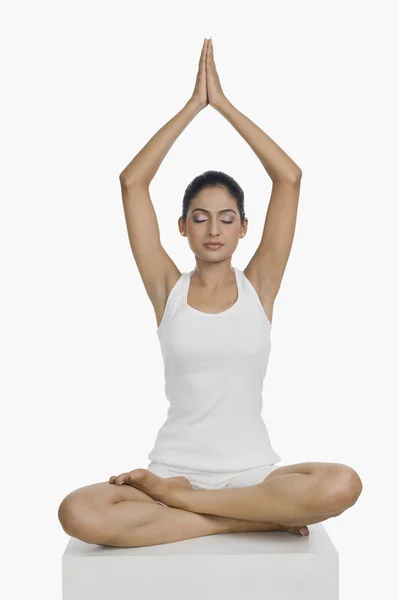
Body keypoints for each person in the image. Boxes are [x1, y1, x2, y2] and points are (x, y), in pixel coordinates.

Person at [58, 38, 362, 548]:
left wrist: (222, 104)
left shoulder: (260, 285)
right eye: (200, 217)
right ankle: (242, 521)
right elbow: (133, 182)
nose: (213, 229)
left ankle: (196, 509)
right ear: (182, 226)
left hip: (252, 477)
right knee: (79, 513)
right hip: (173, 469)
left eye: (226, 218)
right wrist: (190, 109)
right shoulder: (167, 289)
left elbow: (289, 177)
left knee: (342, 483)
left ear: (245, 227)